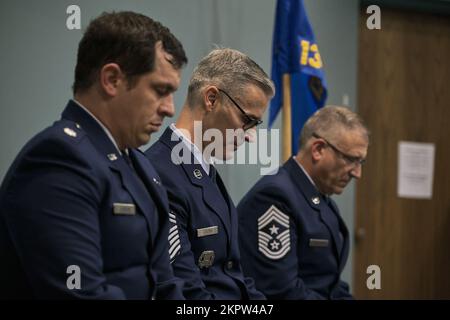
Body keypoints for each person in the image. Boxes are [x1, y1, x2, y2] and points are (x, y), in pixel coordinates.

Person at [0, 11, 187, 299]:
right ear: (111, 79)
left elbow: (164, 282)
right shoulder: (57, 160)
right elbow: (81, 294)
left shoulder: (139, 165)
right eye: (161, 90)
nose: (169, 109)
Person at [145, 48, 275, 299]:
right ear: (212, 99)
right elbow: (186, 292)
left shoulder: (204, 172)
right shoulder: (159, 174)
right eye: (246, 120)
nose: (250, 136)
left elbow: (236, 279)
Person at [238, 106, 369, 299]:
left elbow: (329, 284)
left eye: (361, 162)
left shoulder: (322, 200)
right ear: (318, 150)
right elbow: (280, 290)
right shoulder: (275, 197)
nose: (357, 173)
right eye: (351, 160)